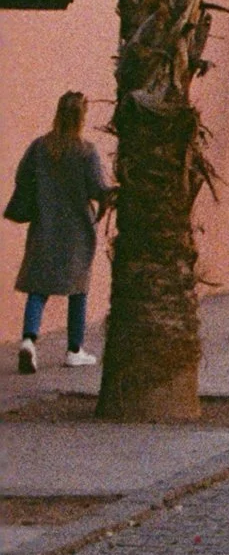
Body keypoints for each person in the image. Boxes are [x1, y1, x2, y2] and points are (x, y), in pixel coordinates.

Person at [10, 91, 114, 373]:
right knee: (78, 290)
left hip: (44, 226)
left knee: (38, 288)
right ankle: (74, 349)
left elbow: (22, 178)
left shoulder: (39, 147)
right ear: (81, 117)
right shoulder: (86, 151)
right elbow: (97, 189)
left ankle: (29, 341)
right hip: (77, 231)